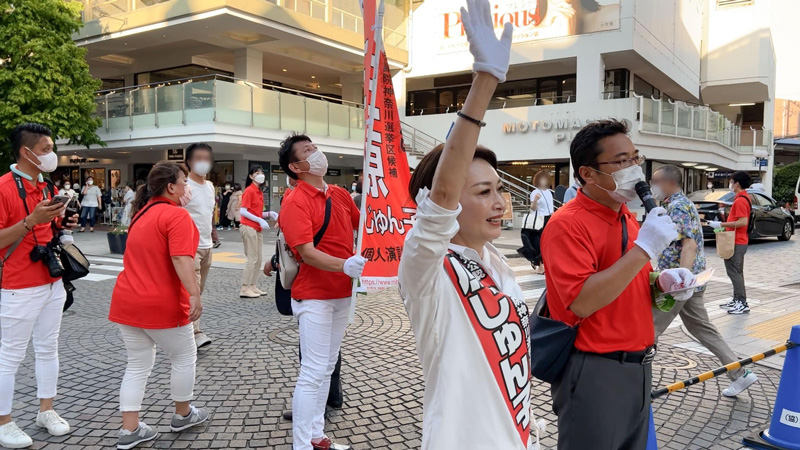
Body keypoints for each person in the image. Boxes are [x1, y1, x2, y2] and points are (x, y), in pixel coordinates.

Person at [399, 3, 534, 448]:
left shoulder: (497, 263)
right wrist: (486, 81)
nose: (499, 203)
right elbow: (439, 206)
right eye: (482, 192)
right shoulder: (427, 270)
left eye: (499, 189)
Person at [541, 119, 695, 449]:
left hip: (639, 364)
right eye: (621, 161)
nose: (633, 169)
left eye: (635, 158)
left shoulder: (625, 216)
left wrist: (662, 282)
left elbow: (628, 280)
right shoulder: (567, 224)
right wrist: (644, 250)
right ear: (588, 173)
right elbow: (581, 301)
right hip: (595, 367)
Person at [109, 161, 209, 449]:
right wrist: (194, 294)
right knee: (183, 357)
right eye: (184, 181)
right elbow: (181, 258)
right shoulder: (176, 216)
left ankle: (130, 430)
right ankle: (183, 414)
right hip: (160, 303)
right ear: (171, 187)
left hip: (128, 302)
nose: (187, 187)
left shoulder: (142, 213)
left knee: (137, 365)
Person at [278, 132, 364, 450]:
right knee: (313, 371)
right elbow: (307, 252)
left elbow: (364, 227)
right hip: (313, 294)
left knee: (327, 367)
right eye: (308, 151)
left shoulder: (339, 194)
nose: (317, 154)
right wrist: (344, 265)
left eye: (315, 148)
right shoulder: (295, 201)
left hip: (343, 293)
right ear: (296, 166)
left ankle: (317, 435)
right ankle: (302, 444)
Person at [0, 123, 78, 448]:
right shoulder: (4, 187)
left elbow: (47, 230)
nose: (51, 155)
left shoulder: (45, 186)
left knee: (48, 348)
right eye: (46, 149)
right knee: (10, 356)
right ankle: (4, 422)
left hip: (51, 279)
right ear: (26, 152)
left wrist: (62, 221)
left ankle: (46, 410)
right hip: (17, 284)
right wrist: (30, 221)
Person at [650, 165, 758, 397]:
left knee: (648, 328)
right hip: (689, 280)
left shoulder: (678, 206)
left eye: (654, 181)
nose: (652, 186)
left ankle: (635, 381)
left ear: (669, 183)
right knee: (702, 328)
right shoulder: (677, 204)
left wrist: (682, 281)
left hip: (678, 283)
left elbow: (688, 244)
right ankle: (740, 374)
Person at [183, 143, 218, 348]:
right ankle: (194, 333)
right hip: (189, 246)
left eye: (207, 158)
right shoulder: (184, 186)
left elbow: (208, 212)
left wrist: (213, 233)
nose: (203, 162)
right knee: (192, 290)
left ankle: (186, 328)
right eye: (198, 158)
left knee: (199, 289)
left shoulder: (210, 186)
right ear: (188, 162)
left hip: (207, 245)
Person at [708, 171, 753, 315]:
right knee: (734, 271)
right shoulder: (743, 198)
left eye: (732, 181)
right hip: (737, 240)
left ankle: (741, 302)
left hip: (736, 240)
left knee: (735, 272)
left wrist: (720, 224)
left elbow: (743, 222)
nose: (730, 184)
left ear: (737, 184)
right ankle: (737, 299)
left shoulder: (740, 200)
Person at [239, 166, 277, 299]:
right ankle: (244, 288)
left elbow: (255, 212)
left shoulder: (259, 191)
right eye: (257, 173)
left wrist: (268, 214)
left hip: (256, 227)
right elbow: (243, 211)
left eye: (261, 172)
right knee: (252, 258)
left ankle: (252, 285)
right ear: (251, 176)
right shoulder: (249, 191)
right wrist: (259, 220)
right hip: (249, 226)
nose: (260, 175)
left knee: (258, 258)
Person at [529, 170, 554, 274]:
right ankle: (540, 266)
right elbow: (532, 209)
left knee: (549, 242)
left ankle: (545, 264)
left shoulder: (549, 192)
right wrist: (535, 200)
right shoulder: (535, 192)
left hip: (549, 218)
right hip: (539, 219)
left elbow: (551, 207)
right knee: (539, 243)